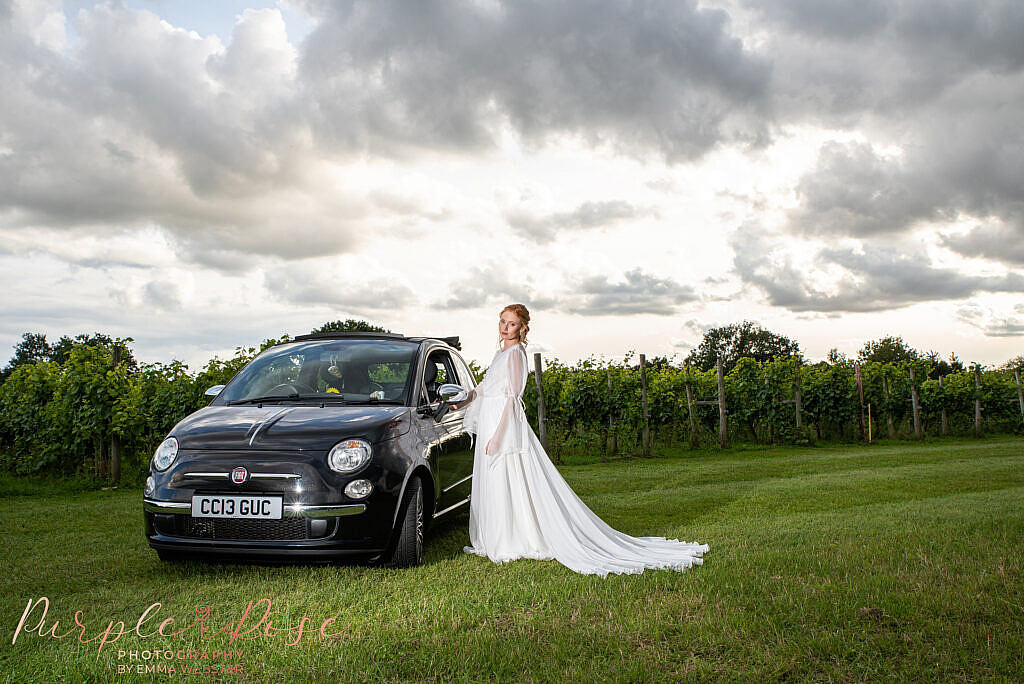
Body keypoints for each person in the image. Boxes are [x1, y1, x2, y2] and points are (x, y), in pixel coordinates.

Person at [452, 304, 709, 577]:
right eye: (502, 321)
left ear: (522, 328)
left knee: (510, 477)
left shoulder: (516, 354)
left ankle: (513, 539)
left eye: (511, 324)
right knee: (494, 481)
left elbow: (513, 399)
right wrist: (462, 402)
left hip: (503, 425)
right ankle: (498, 535)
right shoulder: (500, 352)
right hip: (490, 418)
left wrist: (499, 436)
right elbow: (484, 387)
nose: (505, 327)